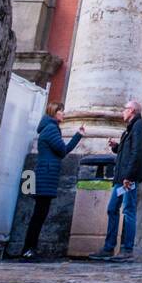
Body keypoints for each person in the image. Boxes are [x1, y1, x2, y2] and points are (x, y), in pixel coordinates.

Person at [20, 101, 84, 260]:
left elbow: (62, 151)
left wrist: (78, 136)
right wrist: (77, 136)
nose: (64, 114)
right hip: (46, 176)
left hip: (45, 175)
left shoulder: (48, 128)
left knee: (39, 214)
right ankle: (28, 249)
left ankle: (30, 249)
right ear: (54, 113)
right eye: (61, 111)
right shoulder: (51, 129)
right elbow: (62, 151)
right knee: (39, 215)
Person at [91, 99, 142, 262]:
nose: (122, 112)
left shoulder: (139, 126)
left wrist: (129, 177)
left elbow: (137, 152)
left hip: (128, 178)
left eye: (125, 109)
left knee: (128, 211)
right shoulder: (131, 128)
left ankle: (127, 249)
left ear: (132, 110)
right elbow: (128, 150)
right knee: (112, 209)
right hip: (121, 177)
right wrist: (116, 146)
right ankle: (108, 248)